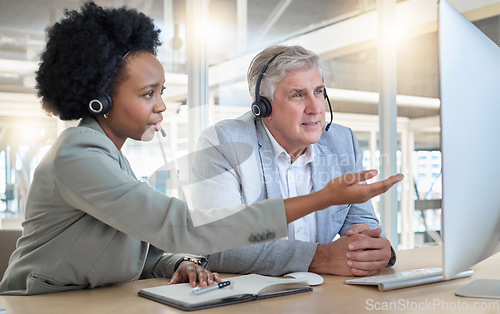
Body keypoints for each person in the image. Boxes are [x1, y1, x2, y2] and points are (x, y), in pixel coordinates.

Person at [0, 3, 402, 295]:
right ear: (98, 100)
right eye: (147, 93)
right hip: (39, 304)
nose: (161, 105)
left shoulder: (108, 154)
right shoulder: (78, 156)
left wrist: (179, 262)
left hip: (95, 300)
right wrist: (321, 199)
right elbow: (189, 227)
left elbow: (142, 247)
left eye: (162, 91)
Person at [191, 45, 398, 277]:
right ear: (263, 107)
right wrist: (320, 257)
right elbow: (217, 245)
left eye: (319, 92)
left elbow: (362, 222)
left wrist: (376, 250)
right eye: (298, 95)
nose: (316, 108)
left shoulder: (341, 141)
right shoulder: (223, 143)